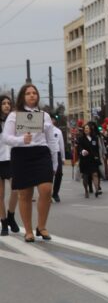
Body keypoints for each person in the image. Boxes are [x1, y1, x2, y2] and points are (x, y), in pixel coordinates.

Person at [2, 84, 60, 242]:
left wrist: (55, 162)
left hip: (41, 153)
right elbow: (6, 137)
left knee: (46, 189)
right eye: (28, 93)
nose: (32, 95)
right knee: (25, 194)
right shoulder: (14, 115)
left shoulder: (44, 116)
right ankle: (28, 231)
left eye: (34, 93)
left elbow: (51, 141)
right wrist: (21, 140)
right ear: (22, 96)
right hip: (21, 154)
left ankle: (41, 227)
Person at [0, 94, 21, 236]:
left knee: (16, 189)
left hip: (12, 159)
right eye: (3, 103)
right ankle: (4, 222)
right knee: (0, 194)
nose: (7, 105)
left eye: (8, 103)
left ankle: (11, 214)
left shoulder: (15, 121)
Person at [77, 123, 102, 199]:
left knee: (95, 174)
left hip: (93, 159)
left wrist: (97, 157)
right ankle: (86, 191)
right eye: (85, 129)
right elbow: (79, 148)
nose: (86, 130)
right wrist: (83, 151)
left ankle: (97, 190)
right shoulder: (81, 138)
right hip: (85, 160)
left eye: (87, 128)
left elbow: (97, 148)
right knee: (85, 177)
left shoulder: (95, 138)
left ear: (90, 130)